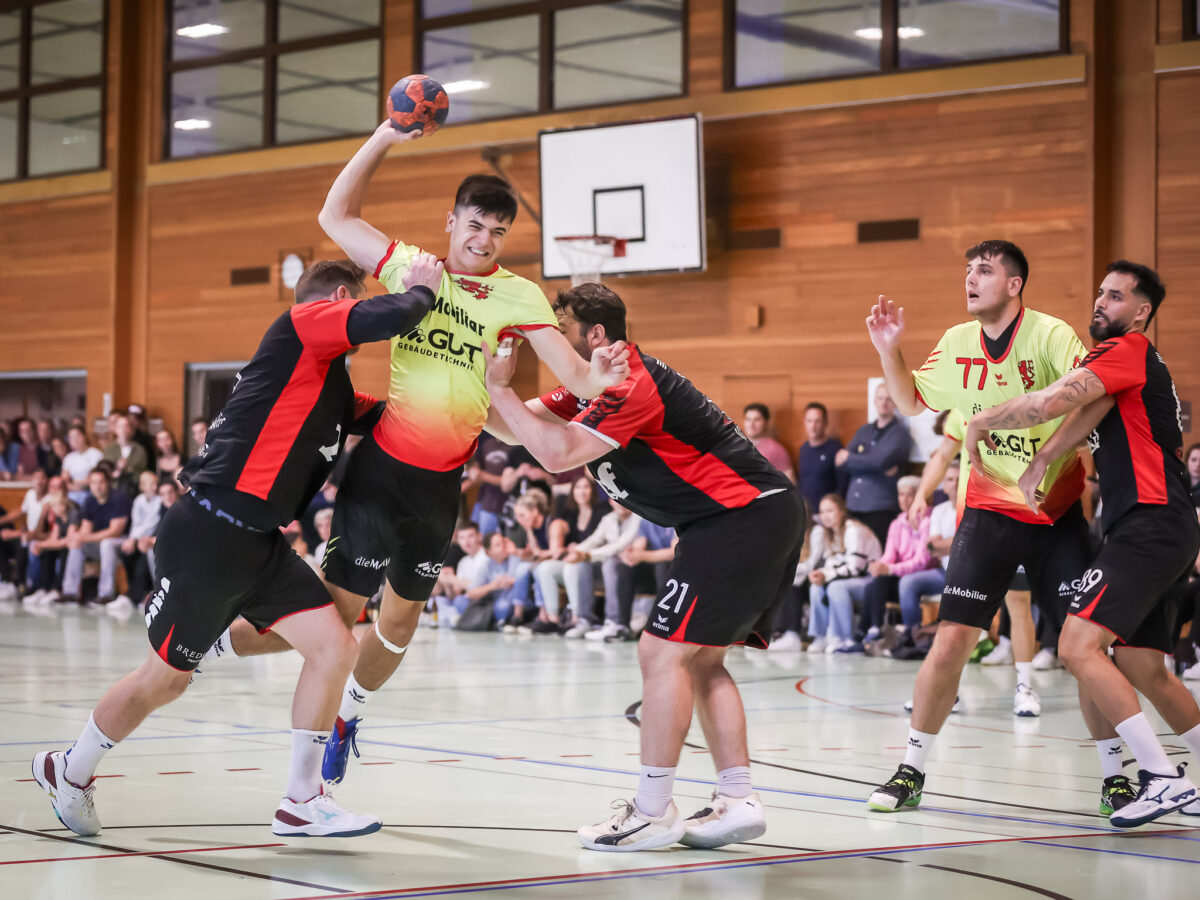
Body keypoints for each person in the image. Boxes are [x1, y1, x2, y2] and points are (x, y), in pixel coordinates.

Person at [250, 119, 629, 784]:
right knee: (335, 625)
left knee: (396, 630)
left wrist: (604, 377)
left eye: (497, 233)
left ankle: (346, 719)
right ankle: (218, 656)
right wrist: (383, 138)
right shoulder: (412, 268)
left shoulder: (519, 295)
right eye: (475, 226)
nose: (484, 242)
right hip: (381, 473)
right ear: (451, 220)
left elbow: (573, 376)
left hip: (439, 489)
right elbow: (334, 215)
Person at [30, 257, 440, 839]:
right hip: (209, 534)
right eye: (357, 301)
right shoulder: (303, 324)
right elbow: (394, 313)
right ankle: (68, 769)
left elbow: (383, 417)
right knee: (165, 680)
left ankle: (301, 801)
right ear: (340, 298)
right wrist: (423, 287)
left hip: (261, 545)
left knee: (333, 647)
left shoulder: (324, 380)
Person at [483, 282, 803, 852]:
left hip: (741, 517)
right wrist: (471, 384)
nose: (549, 343)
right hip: (739, 519)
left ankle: (653, 811)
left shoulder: (630, 381)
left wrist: (500, 388)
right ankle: (738, 799)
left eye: (559, 331)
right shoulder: (587, 386)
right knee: (700, 662)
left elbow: (555, 456)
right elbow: (511, 426)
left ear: (595, 335)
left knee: (660, 651)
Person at [863, 239, 1102, 816]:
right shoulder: (956, 342)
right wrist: (888, 349)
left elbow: (1091, 396)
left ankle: (1118, 776)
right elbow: (913, 401)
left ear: (1014, 284)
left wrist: (1048, 458)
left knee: (1085, 651)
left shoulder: (1050, 335)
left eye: (985, 270)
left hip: (1055, 511)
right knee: (950, 642)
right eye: (968, 269)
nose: (971, 278)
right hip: (987, 513)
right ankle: (910, 770)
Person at [964, 260, 1200, 827]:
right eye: (1100, 293)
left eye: (1115, 297)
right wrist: (1045, 458)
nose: (1101, 303)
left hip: (1150, 521)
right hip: (1156, 525)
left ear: (1140, 312)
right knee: (1146, 668)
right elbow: (1088, 409)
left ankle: (1162, 778)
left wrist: (981, 420)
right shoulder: (1123, 368)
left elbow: (1048, 403)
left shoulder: (1128, 349)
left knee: (1075, 646)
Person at [858, 475, 940, 641]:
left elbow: (921, 563)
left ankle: (907, 634)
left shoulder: (929, 521)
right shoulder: (897, 523)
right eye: (901, 494)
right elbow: (888, 556)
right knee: (875, 582)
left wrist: (888, 569)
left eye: (910, 494)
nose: (904, 499)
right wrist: (880, 567)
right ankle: (873, 629)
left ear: (920, 497)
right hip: (902, 576)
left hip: (924, 576)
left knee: (893, 581)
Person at [802, 493, 882, 653]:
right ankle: (821, 636)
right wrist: (820, 574)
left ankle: (844, 638)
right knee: (816, 586)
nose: (826, 516)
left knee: (836, 587)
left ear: (842, 511)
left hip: (871, 582)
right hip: (848, 580)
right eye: (822, 512)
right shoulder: (830, 534)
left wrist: (826, 575)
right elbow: (832, 565)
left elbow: (855, 568)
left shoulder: (854, 530)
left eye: (830, 511)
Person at [836, 385, 912, 545]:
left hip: (880, 508)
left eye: (889, 399)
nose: (884, 403)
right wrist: (869, 463)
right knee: (854, 555)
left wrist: (852, 458)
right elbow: (840, 462)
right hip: (854, 505)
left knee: (876, 558)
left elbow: (880, 461)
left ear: (896, 403)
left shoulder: (900, 434)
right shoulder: (864, 430)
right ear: (875, 401)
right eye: (880, 398)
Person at [59, 467, 131, 606]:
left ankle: (105, 594)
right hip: (99, 543)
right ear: (90, 484)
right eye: (93, 483)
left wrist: (83, 538)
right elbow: (86, 529)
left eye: (101, 482)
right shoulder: (90, 500)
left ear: (108, 483)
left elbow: (115, 531)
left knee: (106, 543)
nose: (97, 486)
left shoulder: (119, 498)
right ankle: (70, 592)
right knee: (77, 545)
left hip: (122, 542)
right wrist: (76, 538)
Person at [796, 402, 843, 517]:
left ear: (825, 423)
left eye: (817, 421)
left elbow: (842, 484)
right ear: (804, 423)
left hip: (827, 515)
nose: (813, 426)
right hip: (807, 514)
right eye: (809, 421)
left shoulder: (835, 448)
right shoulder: (804, 448)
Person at [742, 403, 795, 482]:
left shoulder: (776, 450)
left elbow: (790, 482)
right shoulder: (736, 445)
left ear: (766, 423)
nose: (751, 424)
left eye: (757, 420)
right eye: (748, 419)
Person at [102, 413, 149, 494]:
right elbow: (105, 472)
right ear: (115, 429)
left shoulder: (140, 450)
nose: (123, 429)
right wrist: (117, 470)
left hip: (134, 490)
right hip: (113, 490)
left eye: (126, 426)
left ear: (130, 429)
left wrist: (127, 468)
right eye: (120, 426)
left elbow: (142, 473)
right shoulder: (108, 450)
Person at [61, 425, 103, 507]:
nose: (75, 440)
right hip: (71, 495)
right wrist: (77, 485)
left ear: (84, 436)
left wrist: (73, 482)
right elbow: (64, 481)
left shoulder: (96, 454)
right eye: (71, 437)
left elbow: (91, 480)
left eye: (77, 436)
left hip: (90, 494)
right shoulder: (68, 458)